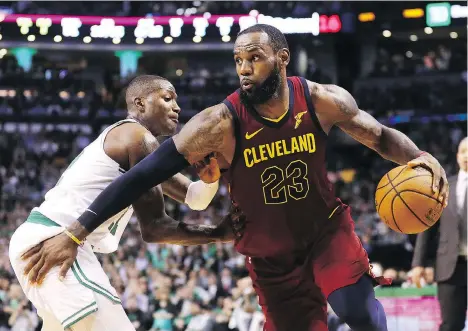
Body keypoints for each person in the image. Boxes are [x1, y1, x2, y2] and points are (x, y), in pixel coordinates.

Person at [23, 25, 449, 331]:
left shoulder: (321, 99)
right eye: (238, 60)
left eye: (255, 58)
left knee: (355, 308)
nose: (244, 68)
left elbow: (378, 135)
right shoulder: (217, 123)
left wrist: (422, 157)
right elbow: (142, 176)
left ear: (281, 58)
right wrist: (77, 231)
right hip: (270, 253)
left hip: (324, 231)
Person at [9, 75, 243, 331]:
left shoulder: (140, 149)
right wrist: (218, 234)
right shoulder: (137, 137)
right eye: (167, 98)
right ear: (140, 103)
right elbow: (155, 228)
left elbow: (195, 199)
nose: (177, 107)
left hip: (49, 241)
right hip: (55, 240)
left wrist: (210, 181)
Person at [411, 137, 467, 331]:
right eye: (463, 151)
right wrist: (418, 263)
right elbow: (428, 228)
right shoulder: (443, 187)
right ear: (457, 156)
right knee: (451, 325)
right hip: (451, 267)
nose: (466, 156)